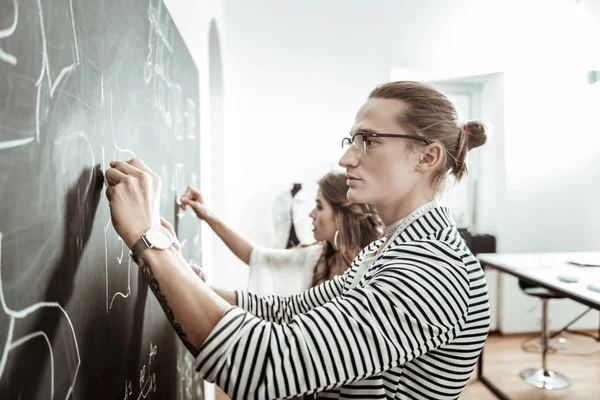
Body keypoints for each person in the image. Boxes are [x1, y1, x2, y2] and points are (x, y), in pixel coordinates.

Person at [105, 80, 490, 399]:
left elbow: (264, 365)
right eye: (351, 140)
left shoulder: (433, 268)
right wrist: (174, 263)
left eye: (368, 141)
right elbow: (288, 311)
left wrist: (150, 242)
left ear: (427, 157)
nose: (346, 159)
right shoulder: (386, 249)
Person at [178, 172, 382, 296]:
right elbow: (255, 255)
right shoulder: (316, 257)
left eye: (319, 206)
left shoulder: (374, 267)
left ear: (341, 216)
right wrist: (207, 215)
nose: (311, 213)